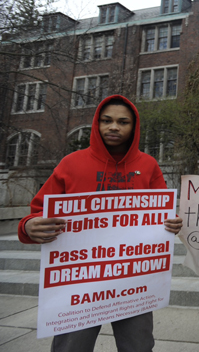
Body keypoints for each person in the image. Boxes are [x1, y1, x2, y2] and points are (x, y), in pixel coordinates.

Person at [17, 94, 183, 352]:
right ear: (97, 123)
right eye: (106, 120)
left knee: (138, 346)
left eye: (122, 122)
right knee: (71, 347)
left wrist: (171, 225)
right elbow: (36, 212)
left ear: (134, 126)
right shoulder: (71, 164)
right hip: (79, 282)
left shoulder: (148, 166)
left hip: (133, 279)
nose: (114, 127)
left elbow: (164, 216)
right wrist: (28, 226)